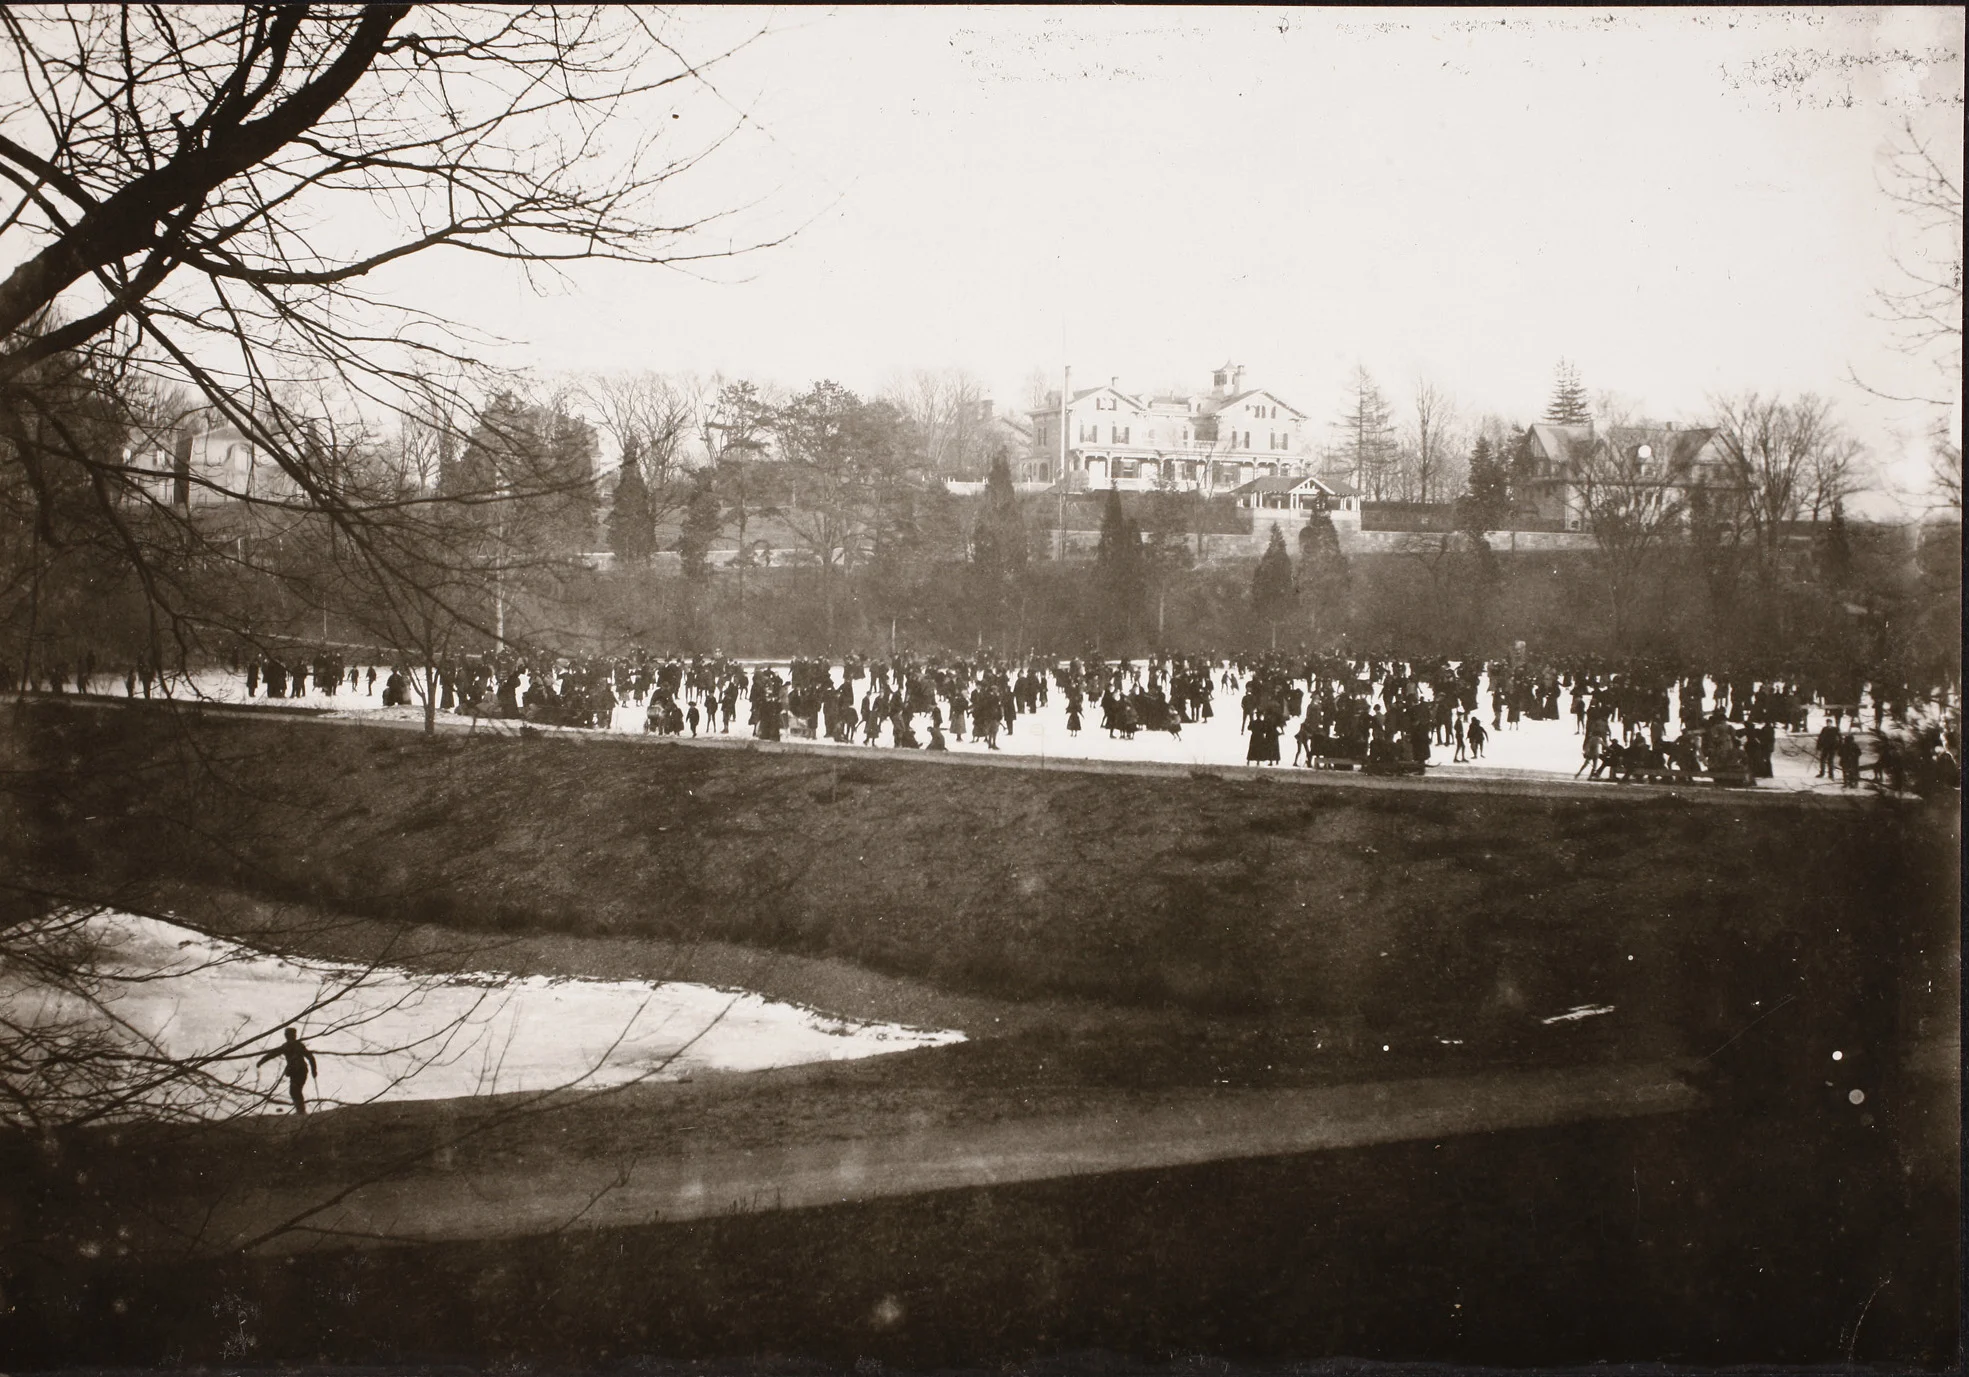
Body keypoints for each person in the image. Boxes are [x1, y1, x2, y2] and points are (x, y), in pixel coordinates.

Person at [257, 1027, 320, 1115]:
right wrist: (261, 1061)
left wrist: (314, 1070)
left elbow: (310, 1057)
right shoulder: (288, 1046)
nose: (287, 1037)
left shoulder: (297, 1045)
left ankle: (301, 1111)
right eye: (287, 1035)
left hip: (300, 1070)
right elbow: (273, 1054)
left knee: (295, 1090)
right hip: (295, 1071)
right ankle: (300, 1110)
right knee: (295, 1090)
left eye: (288, 1035)